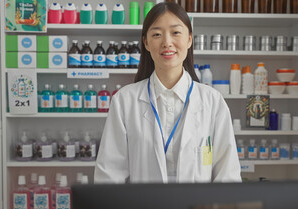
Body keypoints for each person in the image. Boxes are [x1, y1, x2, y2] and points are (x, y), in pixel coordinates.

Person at [94, 2, 241, 184]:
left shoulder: (213, 101)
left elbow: (227, 175)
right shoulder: (124, 101)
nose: (167, 42)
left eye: (176, 32)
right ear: (146, 43)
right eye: (157, 34)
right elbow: (109, 176)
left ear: (189, 39)